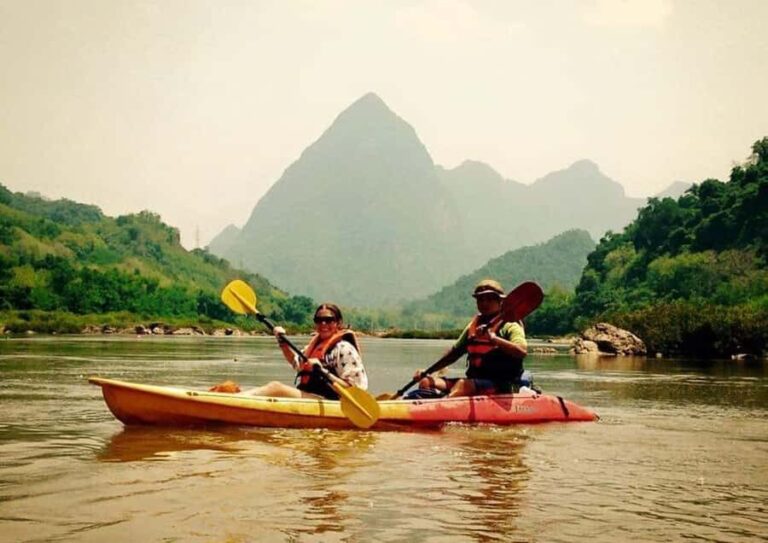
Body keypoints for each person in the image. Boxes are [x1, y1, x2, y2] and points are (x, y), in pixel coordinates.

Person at [221, 303, 368, 400]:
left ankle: (232, 401)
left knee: (276, 387)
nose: (323, 324)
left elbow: (356, 390)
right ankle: (235, 397)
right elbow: (295, 362)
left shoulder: (344, 349)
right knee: (273, 390)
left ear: (338, 323)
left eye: (328, 320)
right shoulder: (315, 345)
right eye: (319, 320)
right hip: (309, 398)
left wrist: (323, 371)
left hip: (331, 402)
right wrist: (283, 343)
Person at [413, 279, 527, 397]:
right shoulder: (473, 327)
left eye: (489, 299)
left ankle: (443, 405)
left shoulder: (510, 325)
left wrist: (494, 339)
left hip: (505, 384)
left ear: (500, 301)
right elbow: (453, 354)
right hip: (475, 382)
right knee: (427, 382)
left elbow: (522, 351)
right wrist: (427, 372)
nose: (484, 303)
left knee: (464, 385)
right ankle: (423, 405)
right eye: (480, 299)